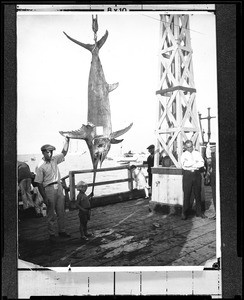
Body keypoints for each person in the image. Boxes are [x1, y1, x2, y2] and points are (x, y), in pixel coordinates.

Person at [34, 136, 71, 242]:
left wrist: (67, 141)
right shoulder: (40, 166)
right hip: (49, 189)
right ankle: (51, 234)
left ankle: (62, 231)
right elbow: (39, 183)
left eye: (51, 152)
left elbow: (64, 152)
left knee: (61, 211)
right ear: (43, 153)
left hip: (58, 187)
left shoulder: (55, 159)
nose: (50, 154)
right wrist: (44, 197)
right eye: (48, 152)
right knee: (51, 213)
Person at [180, 140, 207, 220]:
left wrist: (191, 164)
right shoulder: (183, 155)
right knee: (187, 194)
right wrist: (195, 163)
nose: (190, 149)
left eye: (191, 146)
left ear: (193, 146)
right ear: (185, 147)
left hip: (196, 174)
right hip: (187, 175)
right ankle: (184, 213)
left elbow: (202, 163)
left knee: (198, 194)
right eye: (188, 147)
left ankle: (199, 212)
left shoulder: (197, 153)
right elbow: (184, 165)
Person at [206, 143, 216, 219]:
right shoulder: (211, 153)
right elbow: (209, 163)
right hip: (213, 174)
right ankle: (217, 212)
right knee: (214, 194)